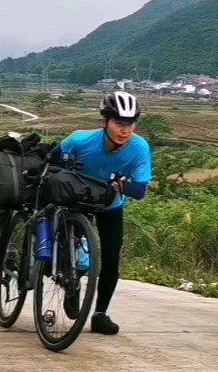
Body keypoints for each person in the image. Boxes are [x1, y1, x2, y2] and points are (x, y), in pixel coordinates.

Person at [47, 90, 152, 335]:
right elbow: (50, 160)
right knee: (71, 254)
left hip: (110, 205)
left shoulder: (139, 148)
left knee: (111, 260)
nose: (125, 130)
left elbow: (140, 191)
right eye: (119, 123)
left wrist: (124, 186)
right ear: (105, 121)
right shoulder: (80, 140)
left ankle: (100, 314)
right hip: (78, 203)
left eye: (130, 124)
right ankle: (71, 284)